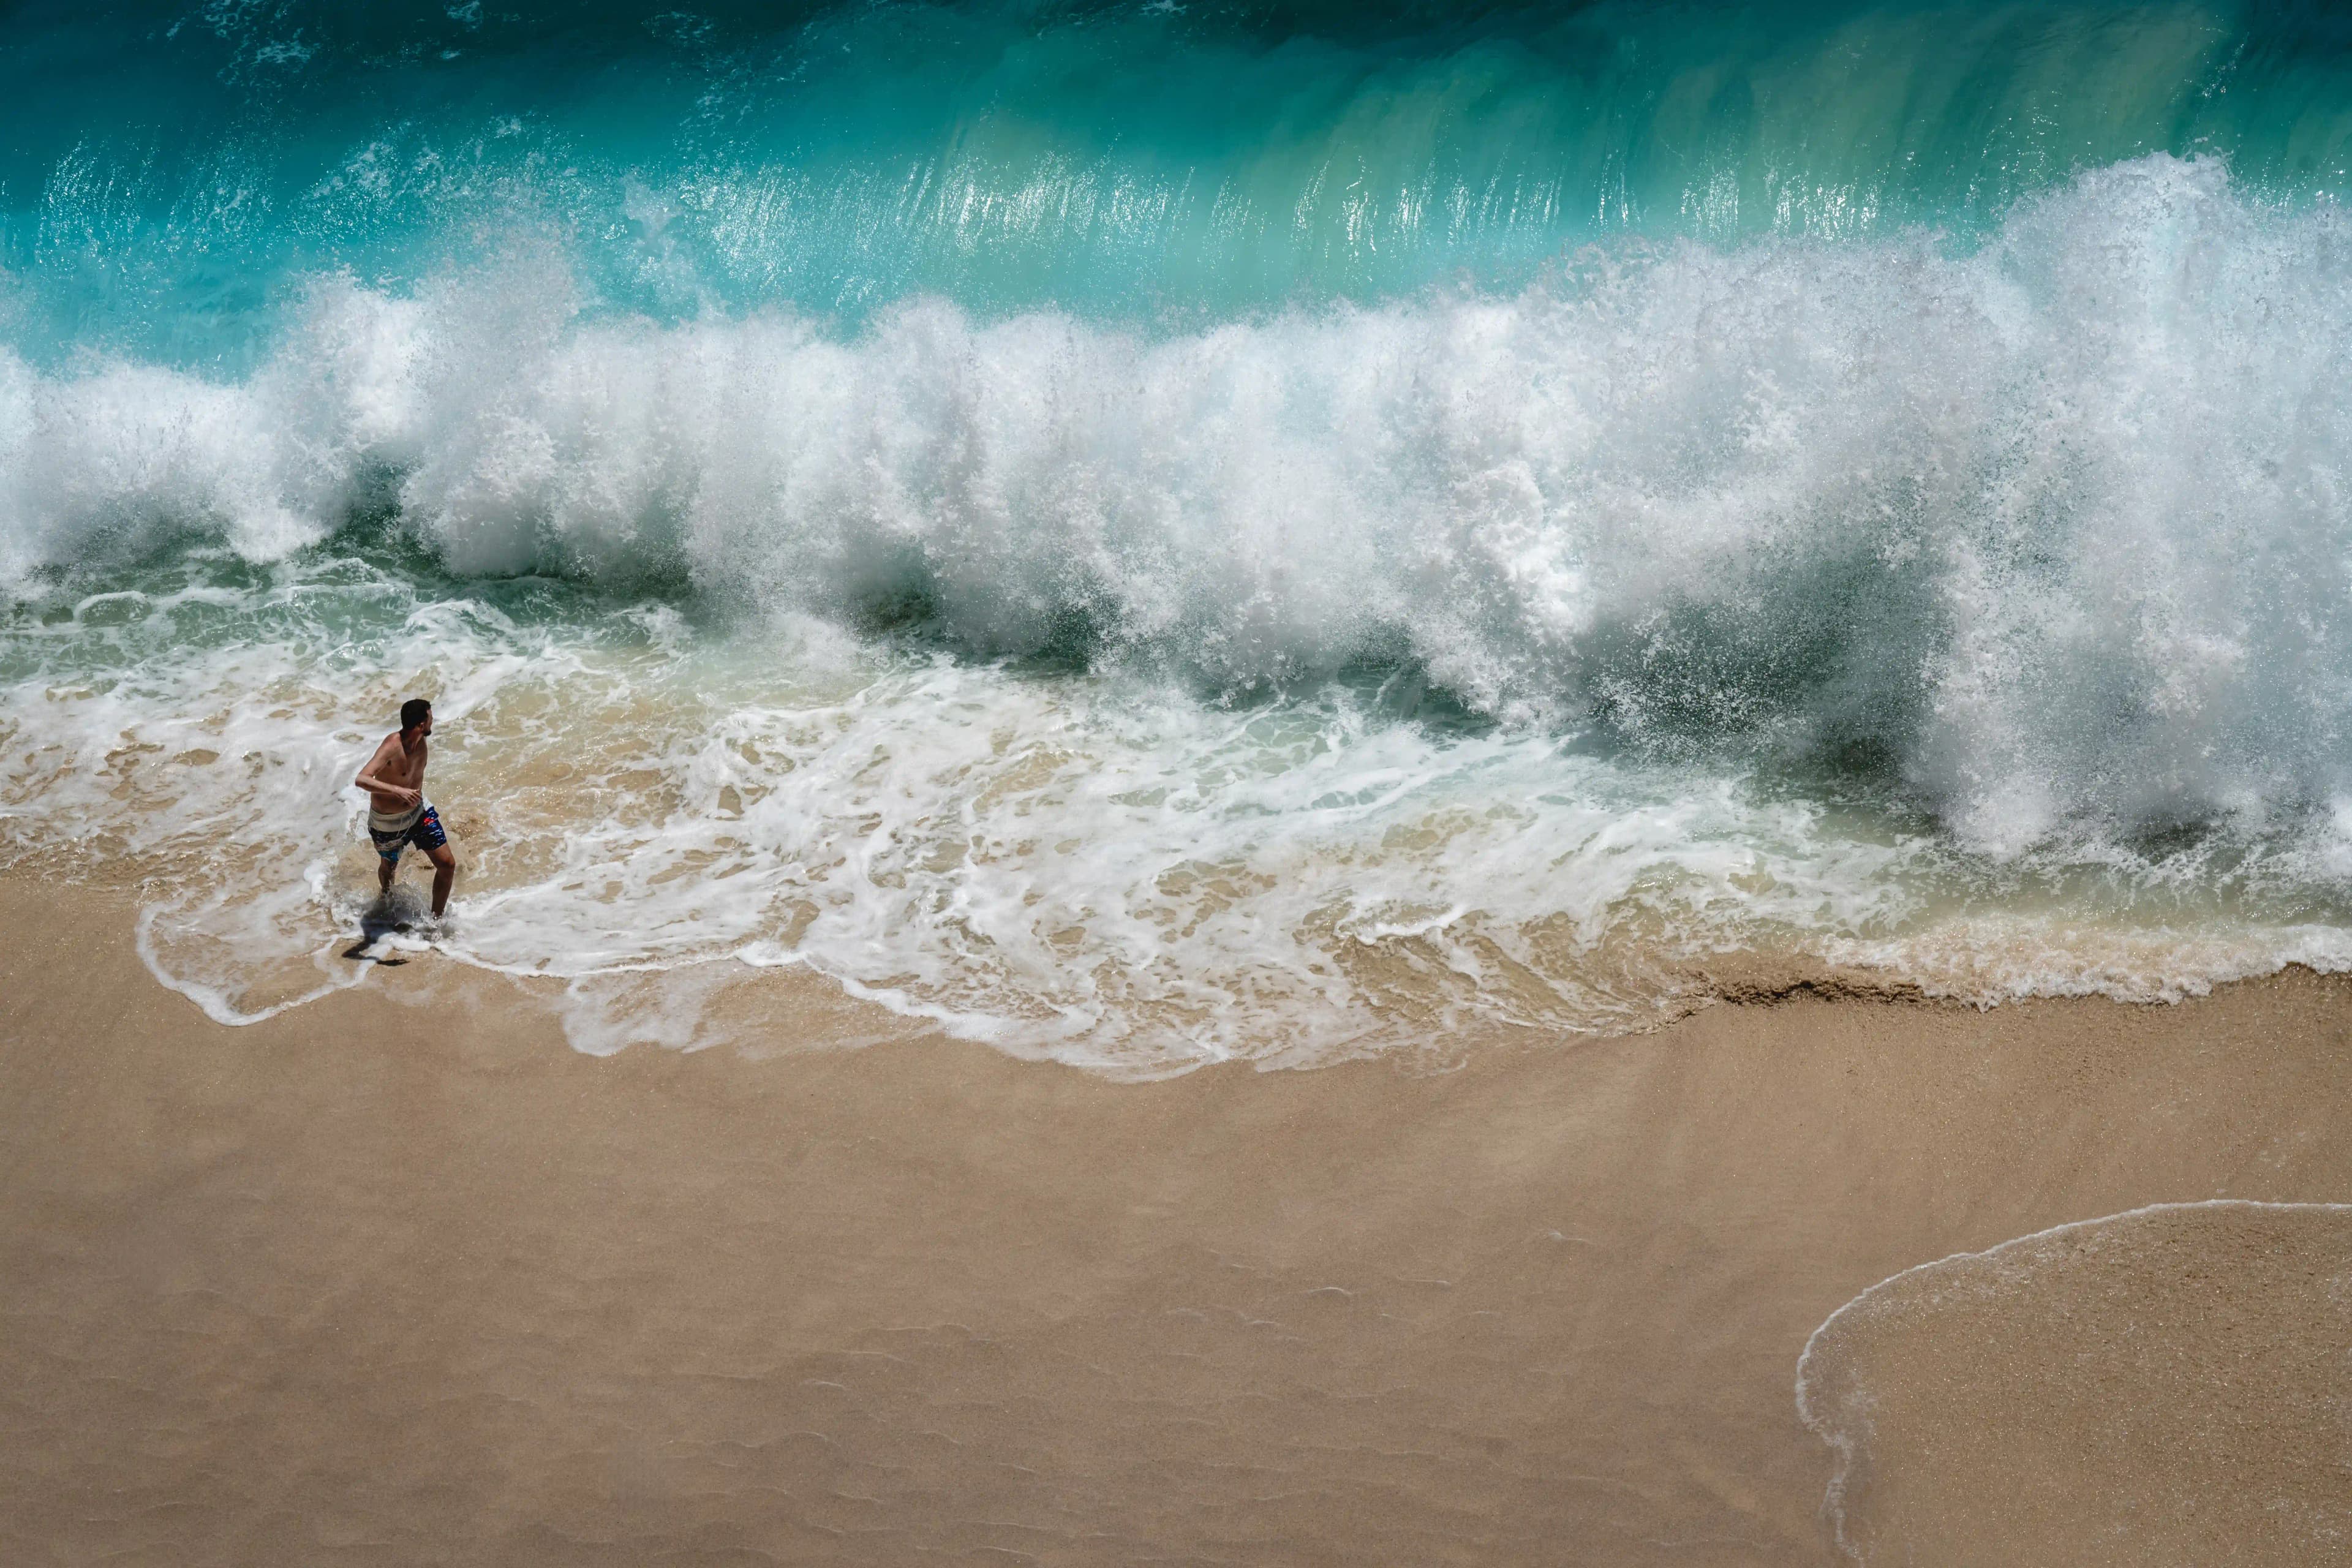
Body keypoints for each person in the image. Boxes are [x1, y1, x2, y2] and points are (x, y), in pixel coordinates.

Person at [355, 697, 456, 919]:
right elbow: (362, 779)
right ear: (421, 724)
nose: (433, 721)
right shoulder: (392, 745)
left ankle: (435, 921)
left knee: (447, 865)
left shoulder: (421, 742)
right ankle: (386, 898)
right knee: (389, 868)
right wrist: (397, 790)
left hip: (419, 813)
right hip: (388, 822)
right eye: (430, 718)